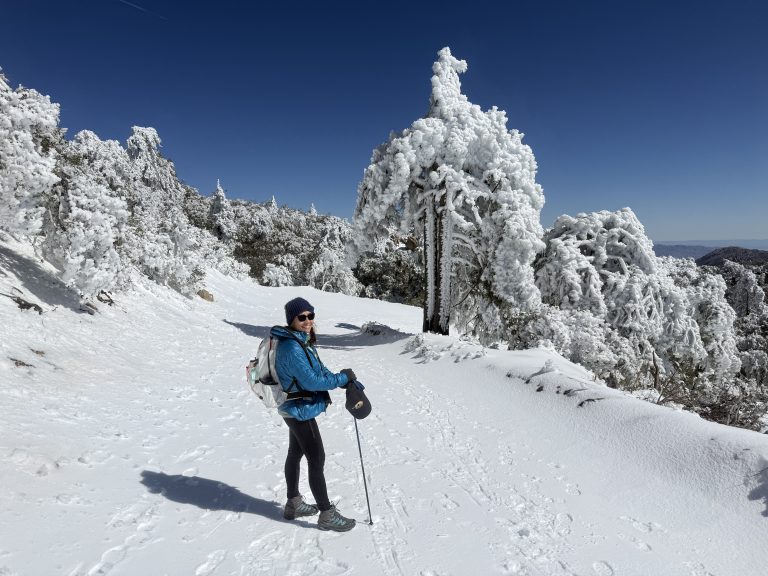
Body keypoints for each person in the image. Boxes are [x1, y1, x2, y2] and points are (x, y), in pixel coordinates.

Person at [270, 297, 357, 532]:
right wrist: (342, 378)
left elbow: (319, 370)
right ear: (291, 319)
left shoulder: (302, 341)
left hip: (294, 407)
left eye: (310, 316)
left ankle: (293, 503)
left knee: (295, 452)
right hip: (300, 409)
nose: (307, 320)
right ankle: (326, 514)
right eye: (302, 317)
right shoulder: (292, 347)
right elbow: (312, 381)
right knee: (316, 458)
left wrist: (340, 378)